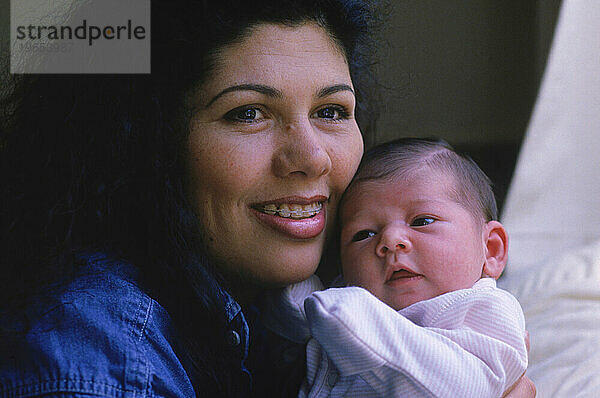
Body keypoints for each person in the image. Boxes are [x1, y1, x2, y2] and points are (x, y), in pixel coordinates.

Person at [0, 1, 534, 397]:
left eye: (331, 111)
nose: (312, 157)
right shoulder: (103, 353)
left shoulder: (269, 299)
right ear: (147, 145)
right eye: (248, 113)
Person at [265, 138, 528, 397]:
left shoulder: (484, 308)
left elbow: (470, 386)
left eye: (422, 221)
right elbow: (314, 313)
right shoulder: (342, 303)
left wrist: (357, 322)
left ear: (490, 249)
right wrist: (295, 294)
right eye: (364, 235)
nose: (390, 241)